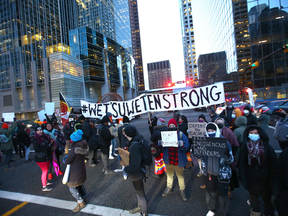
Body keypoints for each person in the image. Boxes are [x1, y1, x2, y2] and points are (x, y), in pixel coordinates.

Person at [238, 125, 277, 216]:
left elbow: (274, 165)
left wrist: (273, 180)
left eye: (255, 133)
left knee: (267, 202)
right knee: (254, 203)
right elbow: (241, 164)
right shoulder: (245, 147)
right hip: (252, 180)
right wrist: (243, 180)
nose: (253, 135)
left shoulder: (267, 147)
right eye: (251, 133)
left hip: (266, 180)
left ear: (260, 134)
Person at [199, 122, 233, 216]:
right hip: (209, 173)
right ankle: (211, 209)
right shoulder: (203, 142)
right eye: (208, 131)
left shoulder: (224, 142)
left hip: (222, 174)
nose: (210, 132)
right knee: (210, 193)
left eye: (213, 130)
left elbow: (231, 160)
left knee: (223, 195)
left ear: (217, 130)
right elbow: (201, 157)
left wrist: (227, 155)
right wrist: (196, 151)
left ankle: (224, 211)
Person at [162, 118, 190, 202]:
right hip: (169, 158)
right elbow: (162, 146)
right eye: (170, 125)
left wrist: (182, 145)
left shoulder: (181, 135)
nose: (171, 127)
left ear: (176, 126)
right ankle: (168, 187)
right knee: (169, 175)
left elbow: (187, 145)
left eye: (173, 125)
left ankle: (182, 190)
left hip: (178, 159)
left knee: (180, 176)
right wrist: (160, 143)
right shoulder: (165, 134)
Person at [122, 125, 148, 216]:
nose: (124, 135)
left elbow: (135, 164)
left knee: (140, 194)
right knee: (139, 192)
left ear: (129, 134)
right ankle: (140, 206)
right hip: (140, 170)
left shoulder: (134, 146)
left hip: (136, 173)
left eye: (125, 134)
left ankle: (144, 212)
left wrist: (126, 169)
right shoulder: (138, 140)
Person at [64, 129, 89, 213]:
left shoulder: (75, 149)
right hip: (81, 168)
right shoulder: (83, 144)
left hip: (74, 170)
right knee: (79, 184)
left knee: (72, 186)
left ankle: (80, 202)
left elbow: (68, 160)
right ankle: (84, 197)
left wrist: (65, 159)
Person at [215, 118, 240, 198]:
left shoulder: (229, 132)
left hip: (226, 159)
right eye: (218, 122)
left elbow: (235, 144)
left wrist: (229, 154)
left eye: (221, 122)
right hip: (216, 159)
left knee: (227, 176)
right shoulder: (213, 132)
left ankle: (228, 191)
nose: (219, 124)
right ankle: (217, 190)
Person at [33, 126, 53, 191]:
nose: (40, 131)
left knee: (46, 170)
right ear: (36, 131)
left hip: (46, 156)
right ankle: (44, 186)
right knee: (45, 171)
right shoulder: (35, 139)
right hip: (40, 157)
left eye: (40, 130)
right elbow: (37, 149)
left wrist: (50, 143)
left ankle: (46, 181)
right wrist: (47, 146)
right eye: (38, 130)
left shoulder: (45, 136)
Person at [272, 147, 288, 216]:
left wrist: (275, 194)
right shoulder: (285, 153)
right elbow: (279, 175)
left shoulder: (285, 153)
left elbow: (278, 176)